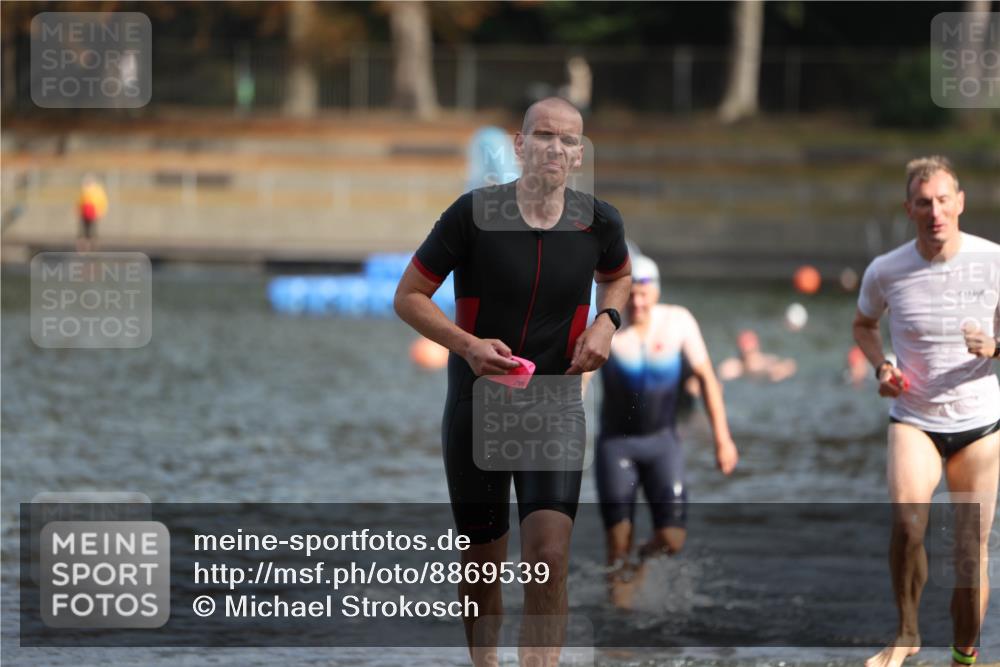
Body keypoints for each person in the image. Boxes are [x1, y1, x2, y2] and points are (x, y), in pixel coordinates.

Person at [394, 96, 631, 667]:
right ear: (520, 146)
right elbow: (408, 297)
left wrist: (608, 320)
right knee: (482, 562)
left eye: (568, 140)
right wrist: (468, 346)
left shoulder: (598, 221)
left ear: (579, 155)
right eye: (543, 135)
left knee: (548, 556)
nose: (556, 147)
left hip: (554, 404)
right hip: (477, 404)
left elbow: (619, 278)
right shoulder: (472, 215)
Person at [852, 156, 999, 667]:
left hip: (981, 427)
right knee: (908, 525)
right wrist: (882, 367)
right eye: (923, 202)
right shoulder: (886, 269)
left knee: (968, 557)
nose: (934, 211)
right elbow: (864, 325)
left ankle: (964, 655)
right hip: (914, 418)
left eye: (943, 200)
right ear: (908, 208)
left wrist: (996, 347)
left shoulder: (993, 260)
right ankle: (907, 633)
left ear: (960, 203)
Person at [595, 255, 738, 608]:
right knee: (618, 542)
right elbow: (581, 378)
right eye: (631, 295)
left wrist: (723, 439)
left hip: (663, 443)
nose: (638, 303)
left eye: (644, 294)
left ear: (656, 292)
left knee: (672, 538)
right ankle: (620, 623)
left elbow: (706, 378)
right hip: (617, 447)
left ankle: (642, 561)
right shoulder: (606, 329)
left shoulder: (678, 322)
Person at [716, 328, 797, 382]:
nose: (750, 357)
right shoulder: (734, 367)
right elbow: (721, 373)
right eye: (746, 353)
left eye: (751, 352)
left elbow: (790, 366)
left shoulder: (768, 360)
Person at [77, 174, 107, 252]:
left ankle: (93, 247)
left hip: (93, 211)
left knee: (93, 230)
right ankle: (84, 247)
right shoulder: (83, 190)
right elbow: (79, 201)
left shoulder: (97, 190)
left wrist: (101, 211)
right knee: (84, 230)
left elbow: (102, 201)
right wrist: (78, 210)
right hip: (84, 211)